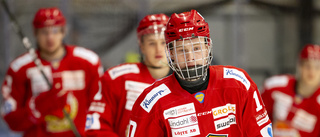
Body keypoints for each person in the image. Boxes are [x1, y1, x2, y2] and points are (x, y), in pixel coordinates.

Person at [127, 9, 273, 137]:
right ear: (170, 53)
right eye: (182, 50)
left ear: (207, 47)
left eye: (196, 48)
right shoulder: (151, 102)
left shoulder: (239, 84)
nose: (190, 57)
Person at [1, 7, 103, 137]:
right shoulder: (19, 68)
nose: (50, 38)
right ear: (35, 33)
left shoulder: (89, 62)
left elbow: (101, 110)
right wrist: (37, 108)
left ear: (63, 31)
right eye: (44, 32)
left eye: (55, 31)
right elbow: (12, 122)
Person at [85, 14, 171, 137]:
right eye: (152, 43)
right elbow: (95, 126)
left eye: (163, 42)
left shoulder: (184, 83)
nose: (158, 49)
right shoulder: (117, 78)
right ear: (141, 45)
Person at [261, 44, 320, 137]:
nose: (312, 72)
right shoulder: (275, 87)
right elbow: (254, 120)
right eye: (307, 66)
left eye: (317, 67)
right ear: (299, 66)